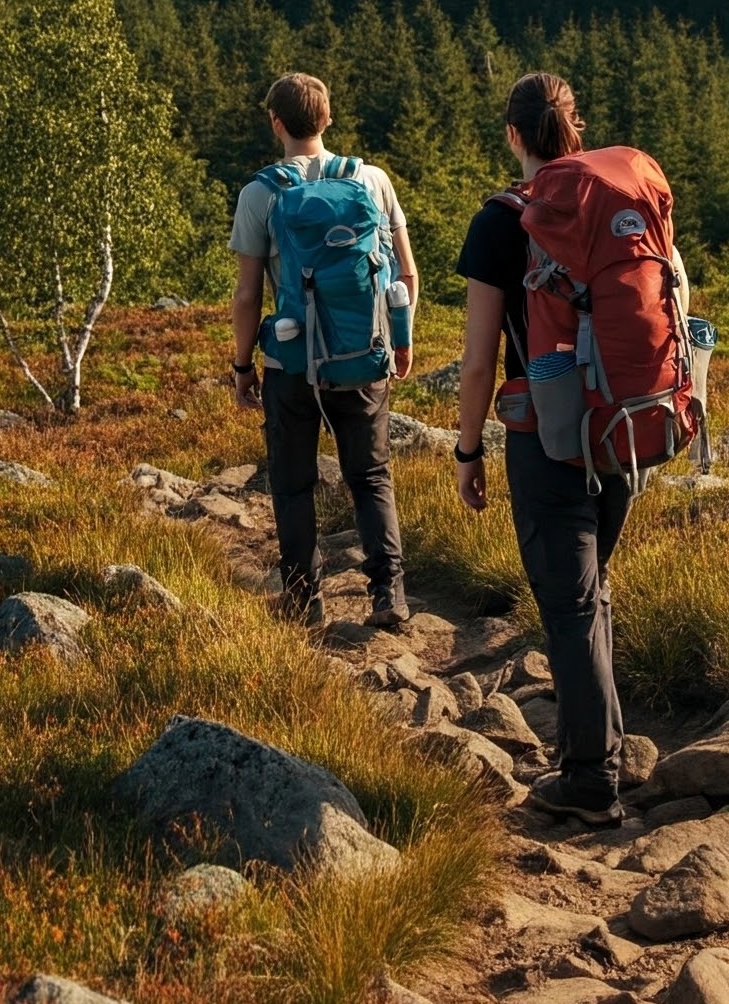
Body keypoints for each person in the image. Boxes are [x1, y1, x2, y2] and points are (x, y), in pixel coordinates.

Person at [452, 70, 633, 824]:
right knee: (590, 595)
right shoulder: (617, 201)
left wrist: (467, 452)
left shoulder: (501, 224)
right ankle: (607, 748)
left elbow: (477, 360)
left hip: (548, 436)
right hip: (625, 426)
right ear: (577, 130)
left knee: (569, 605)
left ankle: (591, 782)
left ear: (514, 137)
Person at [229, 71, 418, 631]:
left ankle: (302, 599)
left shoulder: (261, 193)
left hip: (290, 362)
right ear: (328, 117)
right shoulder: (374, 181)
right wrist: (400, 341)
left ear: (276, 123)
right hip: (363, 355)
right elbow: (405, 272)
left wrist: (243, 366)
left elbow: (246, 295)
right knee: (371, 477)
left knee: (292, 482)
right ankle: (389, 594)